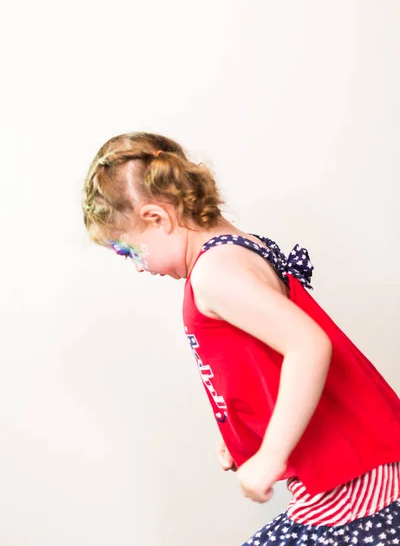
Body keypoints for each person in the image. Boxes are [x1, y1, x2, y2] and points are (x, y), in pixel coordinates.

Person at [82, 132, 400, 545]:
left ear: (157, 217)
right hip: (355, 474)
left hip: (355, 487)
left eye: (129, 251)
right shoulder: (236, 250)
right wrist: (244, 434)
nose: (138, 268)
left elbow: (308, 345)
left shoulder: (215, 272)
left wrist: (269, 457)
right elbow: (262, 357)